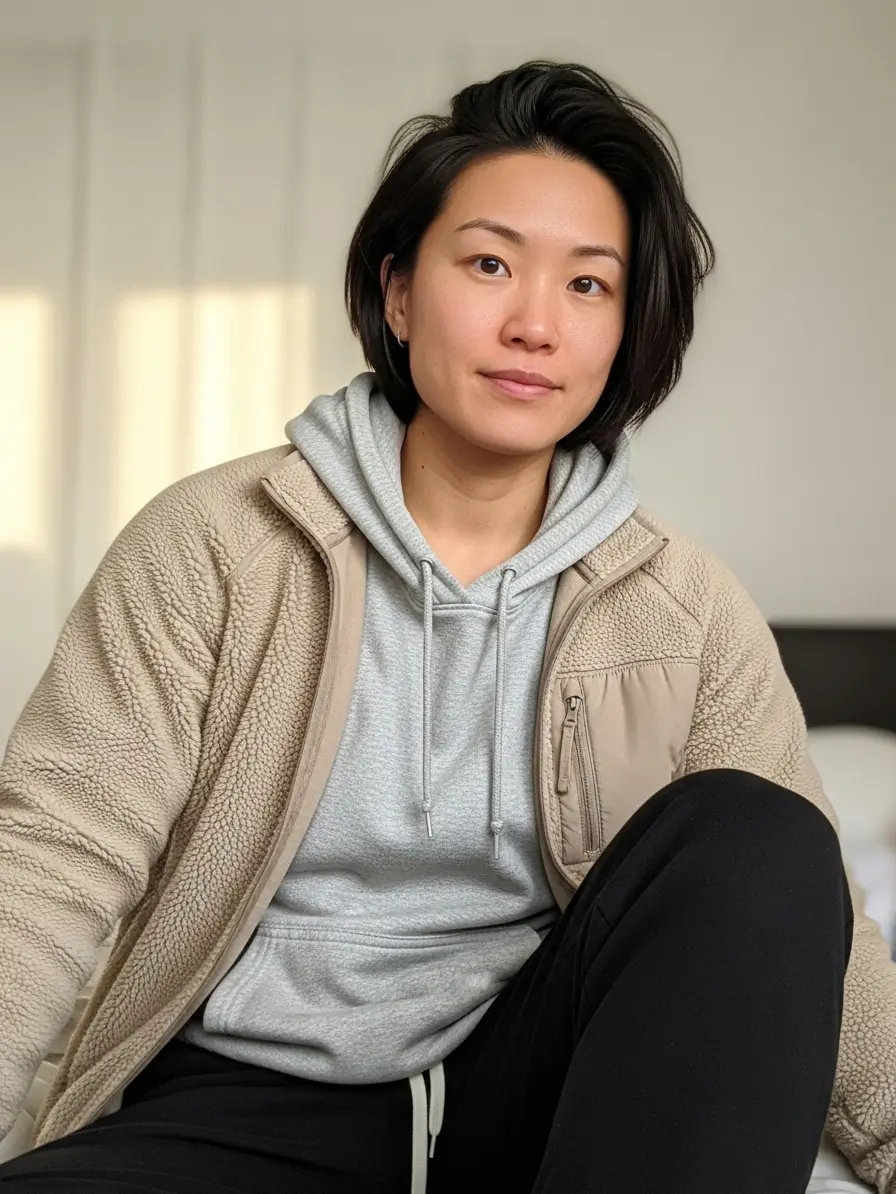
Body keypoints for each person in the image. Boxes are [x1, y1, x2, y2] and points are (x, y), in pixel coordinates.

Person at [0, 59, 890, 1194]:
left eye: (588, 284)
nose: (534, 324)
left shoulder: (684, 610)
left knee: (764, 834)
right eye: (488, 264)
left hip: (538, 1102)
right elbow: (53, 856)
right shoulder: (216, 544)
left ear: (626, 330)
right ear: (399, 293)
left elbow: (808, 922)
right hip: (246, 1098)